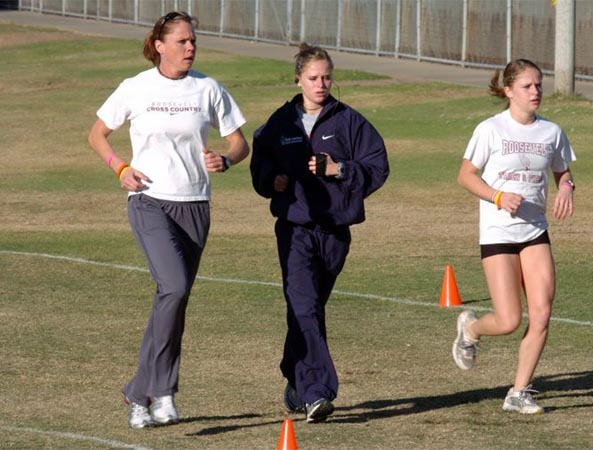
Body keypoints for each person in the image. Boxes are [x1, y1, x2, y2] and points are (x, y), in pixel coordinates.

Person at [87, 11, 249, 429]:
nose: (191, 47)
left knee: (174, 303)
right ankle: (162, 389)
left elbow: (238, 142)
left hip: (195, 205)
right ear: (160, 45)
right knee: (173, 287)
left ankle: (141, 394)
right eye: (182, 41)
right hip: (149, 201)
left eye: (193, 41)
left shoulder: (208, 88)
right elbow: (96, 134)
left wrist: (225, 160)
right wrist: (119, 168)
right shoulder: (135, 88)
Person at [250, 43, 389, 423]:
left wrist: (340, 171)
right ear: (298, 79)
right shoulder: (280, 123)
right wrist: (270, 180)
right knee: (305, 307)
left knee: (310, 309)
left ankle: (295, 372)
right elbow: (258, 165)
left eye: (327, 77)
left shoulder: (349, 121)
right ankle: (317, 393)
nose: (322, 84)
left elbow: (378, 166)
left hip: (334, 232)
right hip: (294, 230)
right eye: (313, 78)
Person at [452, 58, 576, 414]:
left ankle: (519, 391)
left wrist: (567, 186)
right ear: (508, 91)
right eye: (527, 86)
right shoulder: (490, 130)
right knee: (509, 320)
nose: (536, 91)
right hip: (498, 232)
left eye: (539, 84)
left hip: (535, 232)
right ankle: (472, 329)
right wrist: (498, 196)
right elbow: (465, 176)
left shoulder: (551, 132)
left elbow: (562, 170)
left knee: (542, 313)